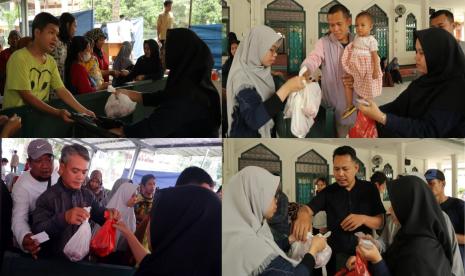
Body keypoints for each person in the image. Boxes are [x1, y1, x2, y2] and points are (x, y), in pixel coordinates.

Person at [292, 146, 385, 275]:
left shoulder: (369, 189)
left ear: (356, 168)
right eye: (336, 169)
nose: (340, 174)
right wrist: (303, 215)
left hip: (364, 253)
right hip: (336, 256)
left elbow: (380, 222)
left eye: (345, 169)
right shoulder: (329, 192)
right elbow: (307, 209)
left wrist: (363, 218)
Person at [112, 28, 221, 138]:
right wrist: (130, 94)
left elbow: (155, 126)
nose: (162, 52)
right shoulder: (188, 81)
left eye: (166, 47)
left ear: (179, 51)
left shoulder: (190, 94)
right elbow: (164, 96)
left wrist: (123, 131)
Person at [357, 28, 465, 137]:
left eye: (422, 53)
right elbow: (398, 106)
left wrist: (382, 117)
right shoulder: (423, 81)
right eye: (416, 51)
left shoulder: (456, 89)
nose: (416, 57)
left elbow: (428, 131)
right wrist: (370, 110)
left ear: (439, 54)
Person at [223, 166, 328, 276]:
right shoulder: (248, 245)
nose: (276, 200)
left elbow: (268, 246)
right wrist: (313, 250)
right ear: (256, 196)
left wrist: (290, 239)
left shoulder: (246, 230)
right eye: (272, 195)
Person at [31, 144, 120, 259]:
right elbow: (38, 235)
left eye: (84, 172)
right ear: (62, 168)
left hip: (80, 261)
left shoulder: (87, 196)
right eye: (75, 171)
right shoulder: (47, 198)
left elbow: (100, 215)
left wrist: (109, 214)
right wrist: (64, 218)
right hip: (53, 262)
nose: (80, 177)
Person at [2, 12, 95, 121]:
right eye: (51, 32)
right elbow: (27, 96)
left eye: (57, 34)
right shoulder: (18, 58)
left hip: (37, 119)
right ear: (37, 32)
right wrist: (57, 112)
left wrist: (84, 111)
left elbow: (61, 89)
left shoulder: (50, 61)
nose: (55, 39)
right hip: (14, 121)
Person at [113, 184, 220, 275]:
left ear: (166, 226)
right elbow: (149, 263)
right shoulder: (189, 264)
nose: (148, 226)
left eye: (153, 218)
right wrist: (127, 232)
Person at [355, 175, 453, 275]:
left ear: (409, 205)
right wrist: (373, 251)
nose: (390, 210)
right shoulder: (408, 233)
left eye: (395, 205)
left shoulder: (421, 251)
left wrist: (376, 259)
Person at [226, 25, 305, 137]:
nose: (275, 54)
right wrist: (287, 88)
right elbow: (254, 120)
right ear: (256, 47)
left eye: (276, 50)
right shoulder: (241, 79)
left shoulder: (261, 71)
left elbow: (271, 101)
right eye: (271, 49)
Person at [301, 4, 357, 137]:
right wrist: (306, 69)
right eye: (331, 25)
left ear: (348, 21)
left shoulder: (358, 42)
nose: (335, 29)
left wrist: (357, 78)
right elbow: (313, 58)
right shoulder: (324, 43)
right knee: (338, 138)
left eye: (339, 24)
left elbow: (370, 68)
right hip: (333, 107)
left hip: (357, 106)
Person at [11, 139, 59, 259]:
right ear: (29, 163)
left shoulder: (55, 176)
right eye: (38, 160)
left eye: (49, 159)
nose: (46, 166)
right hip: (34, 238)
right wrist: (25, 236)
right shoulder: (22, 185)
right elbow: (19, 218)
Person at [341, 11, 382, 119]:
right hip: (357, 67)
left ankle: (368, 110)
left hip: (367, 67)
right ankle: (353, 106)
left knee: (367, 89)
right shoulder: (356, 38)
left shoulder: (371, 40)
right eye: (357, 25)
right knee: (355, 85)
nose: (359, 28)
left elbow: (374, 56)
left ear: (370, 26)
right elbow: (353, 48)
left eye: (362, 25)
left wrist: (376, 70)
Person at [425, 169, 465, 267]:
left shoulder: (459, 206)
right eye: (425, 184)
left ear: (443, 183)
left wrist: (443, 236)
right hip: (434, 262)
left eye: (431, 183)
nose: (428, 187)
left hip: (456, 262)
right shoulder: (426, 208)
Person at [94, 178, 137, 265]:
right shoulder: (113, 211)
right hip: (106, 252)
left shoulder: (131, 212)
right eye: (132, 196)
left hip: (122, 254)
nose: (135, 199)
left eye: (136, 196)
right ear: (125, 195)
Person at [52, 12, 76, 81]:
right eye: (74, 26)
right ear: (68, 25)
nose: (75, 29)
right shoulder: (59, 45)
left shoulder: (64, 43)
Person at [0, 30, 21, 95]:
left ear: (20, 40)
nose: (14, 40)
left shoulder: (24, 53)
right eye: (12, 38)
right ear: (8, 40)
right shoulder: (3, 54)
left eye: (16, 38)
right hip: (7, 86)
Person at [157, 0, 174, 67]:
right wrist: (158, 36)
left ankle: (167, 66)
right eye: (169, 6)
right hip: (163, 37)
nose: (170, 7)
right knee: (163, 53)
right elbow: (158, 27)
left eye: (171, 6)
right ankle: (161, 66)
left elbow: (172, 26)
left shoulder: (171, 14)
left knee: (169, 52)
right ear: (165, 6)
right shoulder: (161, 15)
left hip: (171, 37)